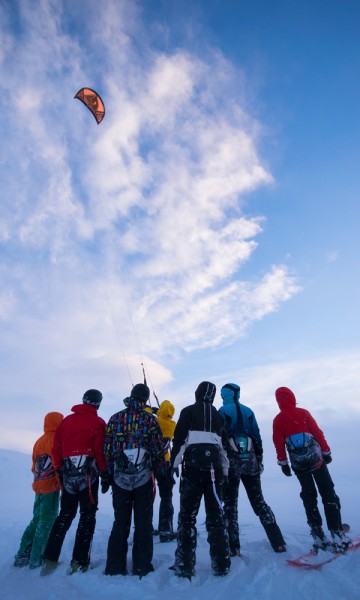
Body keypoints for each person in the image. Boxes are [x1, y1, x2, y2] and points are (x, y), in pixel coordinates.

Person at [273, 386, 351, 550]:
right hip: (316, 459)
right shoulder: (303, 413)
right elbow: (317, 432)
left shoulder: (278, 420)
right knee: (328, 491)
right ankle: (336, 531)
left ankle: (318, 534)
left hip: (298, 464)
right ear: (292, 397)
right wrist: (326, 451)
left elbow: (278, 444)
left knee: (309, 496)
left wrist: (284, 463)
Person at [41, 389, 107, 575]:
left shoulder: (66, 422)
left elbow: (57, 449)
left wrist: (60, 471)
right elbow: (100, 451)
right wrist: (104, 473)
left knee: (65, 515)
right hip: (89, 477)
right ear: (98, 403)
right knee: (87, 516)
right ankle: (79, 561)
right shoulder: (98, 422)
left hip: (68, 475)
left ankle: (50, 558)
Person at [104, 383, 167, 577]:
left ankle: (115, 567)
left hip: (120, 479)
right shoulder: (150, 420)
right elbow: (157, 450)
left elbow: (107, 450)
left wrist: (106, 475)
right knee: (143, 522)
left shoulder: (115, 418)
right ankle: (141, 566)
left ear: (131, 395)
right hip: (143, 479)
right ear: (146, 399)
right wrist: (162, 471)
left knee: (120, 521)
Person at [170, 381, 230, 579]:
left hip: (193, 470)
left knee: (187, 517)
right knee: (216, 517)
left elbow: (179, 441)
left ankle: (184, 564)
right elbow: (224, 448)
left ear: (197, 393)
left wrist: (174, 465)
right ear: (212, 397)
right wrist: (225, 472)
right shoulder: (219, 416)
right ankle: (221, 565)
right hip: (215, 472)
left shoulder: (187, 411)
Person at [219, 383, 286, 555]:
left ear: (224, 395)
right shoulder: (248, 411)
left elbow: (219, 438)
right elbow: (256, 436)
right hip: (251, 461)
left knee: (230, 505)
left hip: (230, 464)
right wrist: (260, 459)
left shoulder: (221, 411)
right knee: (259, 501)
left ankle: (233, 548)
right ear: (237, 394)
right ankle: (278, 542)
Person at [14, 411, 64, 569]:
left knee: (36, 519)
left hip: (39, 486)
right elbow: (56, 464)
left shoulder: (39, 441)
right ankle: (37, 557)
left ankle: (22, 553)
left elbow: (34, 466)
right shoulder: (56, 440)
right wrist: (61, 485)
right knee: (46, 522)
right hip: (51, 487)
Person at [154, 399, 177, 542]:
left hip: (149, 462)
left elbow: (153, 414)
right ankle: (165, 530)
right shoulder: (172, 424)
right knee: (166, 496)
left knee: (146, 497)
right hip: (165, 462)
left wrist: (154, 411)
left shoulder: (152, 421)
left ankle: (146, 528)